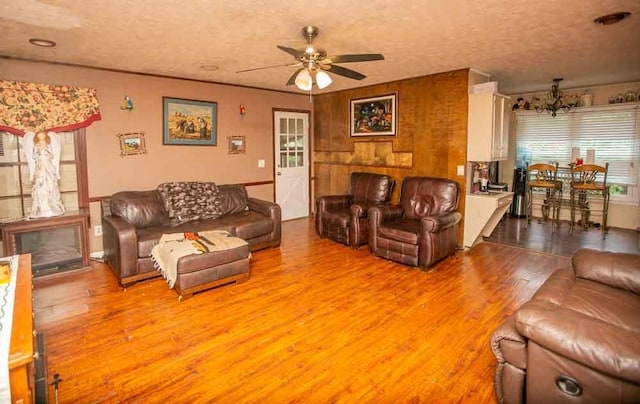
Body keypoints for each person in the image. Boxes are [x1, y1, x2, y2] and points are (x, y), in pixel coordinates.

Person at [23, 131, 65, 218]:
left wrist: (45, 153)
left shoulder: (48, 145)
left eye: (42, 135)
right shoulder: (36, 146)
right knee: (40, 185)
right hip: (40, 166)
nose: (41, 137)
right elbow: (33, 156)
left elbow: (52, 155)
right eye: (39, 136)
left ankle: (53, 207)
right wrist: (39, 154)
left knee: (50, 184)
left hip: (47, 165)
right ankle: (41, 208)